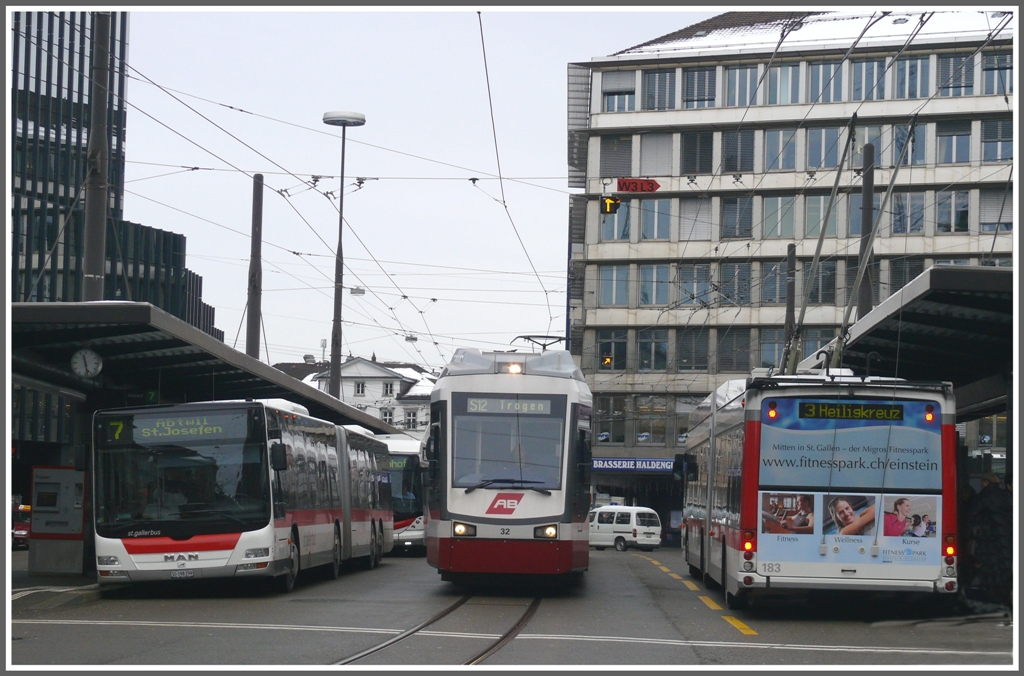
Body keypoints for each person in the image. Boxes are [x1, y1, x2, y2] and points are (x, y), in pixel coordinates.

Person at [966, 472, 1013, 606]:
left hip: (990, 538)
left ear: (986, 482)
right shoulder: (1006, 495)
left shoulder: (982, 497)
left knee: (991, 567)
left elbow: (971, 516)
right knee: (1005, 565)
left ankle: (995, 595)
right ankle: (1007, 592)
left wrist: (970, 536)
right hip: (1007, 537)